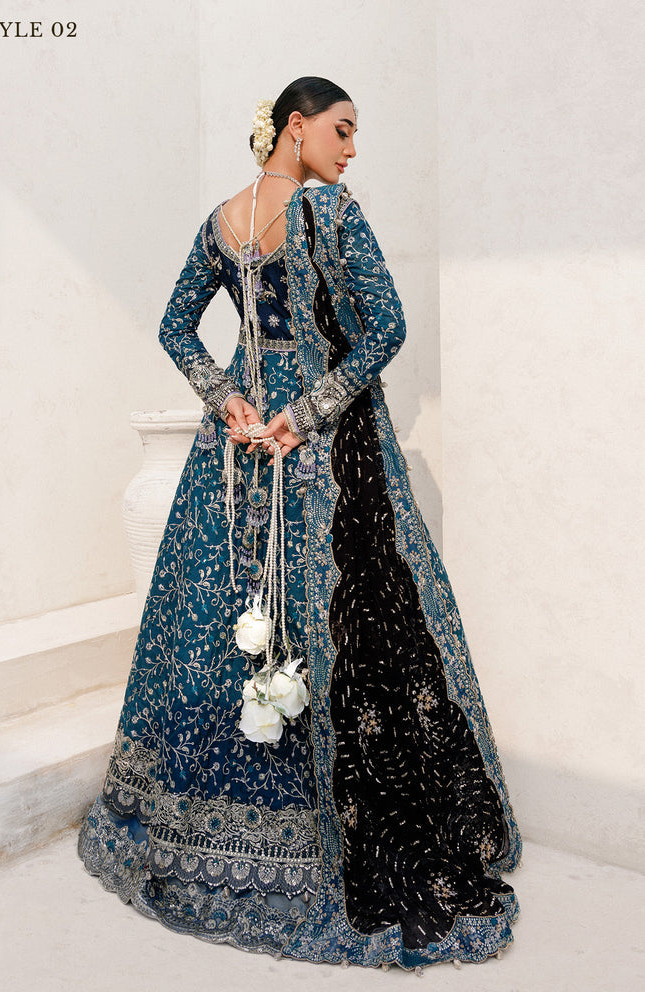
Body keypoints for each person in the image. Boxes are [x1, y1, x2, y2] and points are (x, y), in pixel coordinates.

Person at [78, 76, 521, 971]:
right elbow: (385, 329)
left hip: (239, 445)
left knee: (224, 612)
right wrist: (308, 411)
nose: (351, 149)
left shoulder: (221, 222)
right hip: (313, 446)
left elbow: (176, 330)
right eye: (341, 130)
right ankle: (318, 845)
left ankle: (195, 833)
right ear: (295, 127)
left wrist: (229, 399)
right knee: (325, 619)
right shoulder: (332, 213)